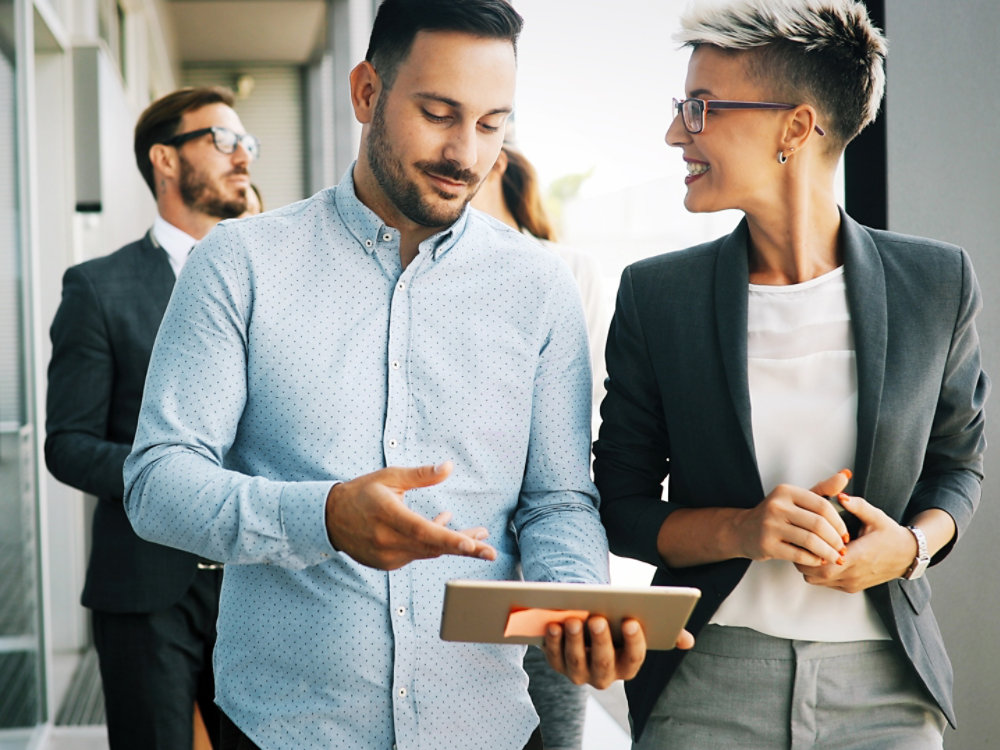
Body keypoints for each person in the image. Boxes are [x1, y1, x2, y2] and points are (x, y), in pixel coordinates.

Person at [122, 2, 684, 748]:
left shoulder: (539, 287)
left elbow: (557, 500)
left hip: (483, 729)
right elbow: (158, 482)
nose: (465, 152)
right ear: (365, 93)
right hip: (283, 731)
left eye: (492, 124)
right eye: (438, 113)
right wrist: (322, 517)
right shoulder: (239, 264)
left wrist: (577, 602)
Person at [594, 1, 988, 748]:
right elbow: (621, 505)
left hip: (888, 692)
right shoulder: (657, 296)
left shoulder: (936, 282)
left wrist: (907, 548)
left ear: (796, 127)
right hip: (707, 682)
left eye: (700, 107)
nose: (677, 131)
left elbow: (958, 469)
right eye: (681, 107)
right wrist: (744, 529)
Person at [45, 86, 257, 748]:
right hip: (143, 588)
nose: (243, 157)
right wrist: (172, 476)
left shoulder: (267, 279)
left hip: (259, 583)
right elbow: (68, 444)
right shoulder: (97, 287)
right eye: (222, 141)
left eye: (247, 143)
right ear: (165, 160)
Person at [472, 142, 609, 750]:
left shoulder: (567, 270)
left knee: (552, 724)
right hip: (464, 555)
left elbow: (590, 416)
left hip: (546, 551)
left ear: (498, 159)